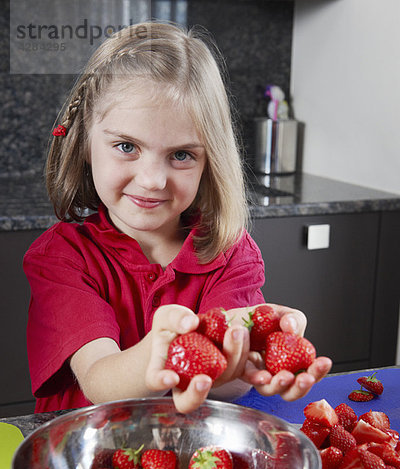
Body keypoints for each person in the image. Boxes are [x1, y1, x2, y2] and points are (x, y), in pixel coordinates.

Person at [23, 21, 332, 414]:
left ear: (210, 160)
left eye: (181, 155)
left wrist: (247, 351)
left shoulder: (232, 252)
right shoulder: (61, 257)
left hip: (190, 458)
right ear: (85, 141)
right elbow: (99, 378)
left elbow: (229, 387)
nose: (152, 181)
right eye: (126, 146)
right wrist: (167, 348)